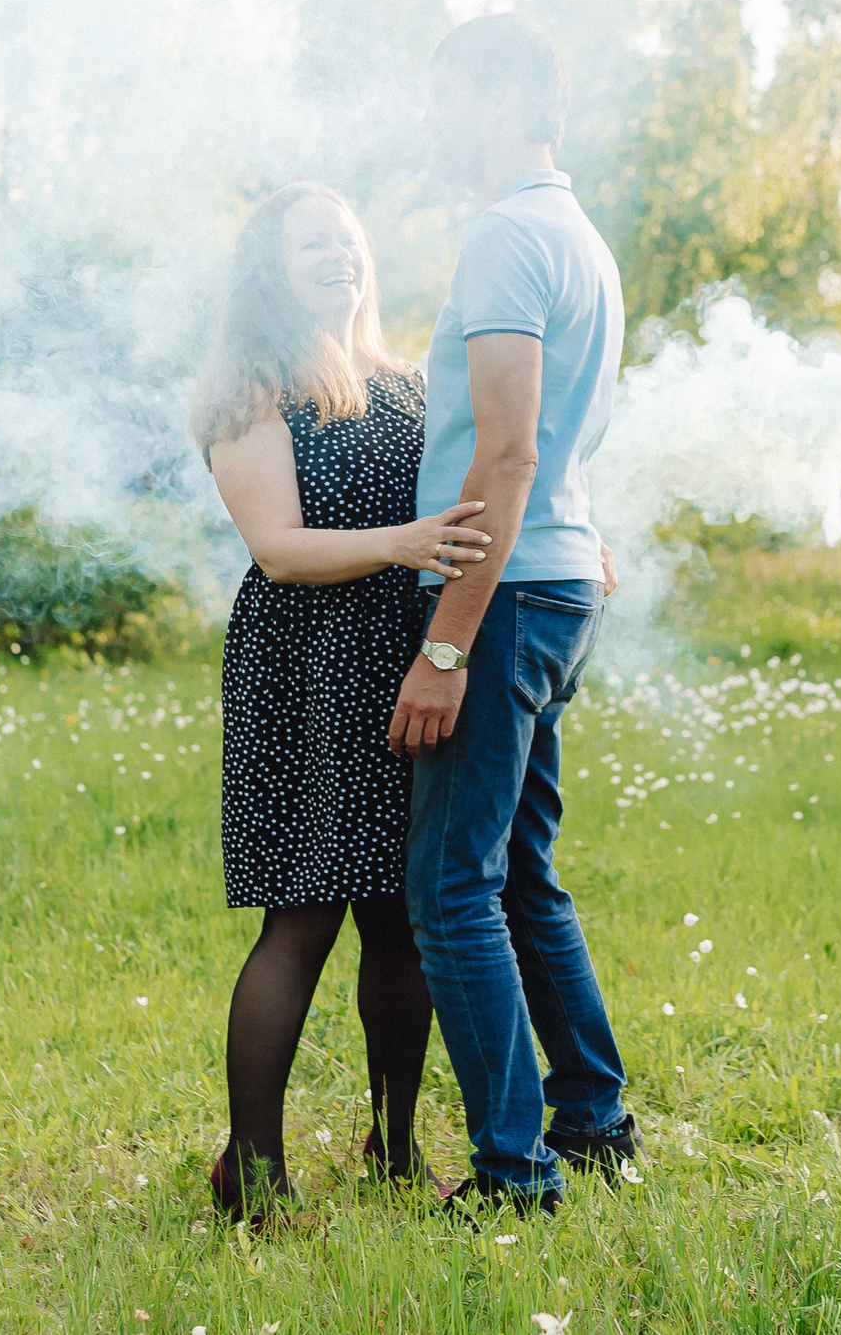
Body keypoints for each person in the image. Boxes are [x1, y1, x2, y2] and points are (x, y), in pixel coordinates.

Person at [190, 181, 497, 1222]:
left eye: (349, 239)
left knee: (403, 920)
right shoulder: (253, 388)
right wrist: (403, 544)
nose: (340, 256)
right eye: (312, 243)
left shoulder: (409, 381)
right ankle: (252, 1173)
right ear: (269, 270)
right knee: (305, 918)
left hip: (405, 665)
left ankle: (395, 1147)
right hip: (308, 671)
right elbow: (277, 548)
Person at [388, 13, 634, 1215]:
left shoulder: (503, 235)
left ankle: (514, 1173)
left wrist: (445, 643)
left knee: (451, 888)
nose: (431, 119)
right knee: (522, 873)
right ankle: (592, 1120)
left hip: (504, 591)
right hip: (558, 578)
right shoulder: (577, 237)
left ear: (497, 100)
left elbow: (511, 449)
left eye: (444, 95)